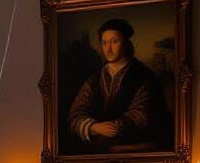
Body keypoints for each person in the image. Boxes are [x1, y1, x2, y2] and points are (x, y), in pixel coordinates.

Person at [67, 18, 171, 152]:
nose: (108, 49)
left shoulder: (144, 76)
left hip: (134, 145)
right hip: (98, 148)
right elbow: (76, 113)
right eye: (104, 43)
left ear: (126, 44)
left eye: (114, 42)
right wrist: (94, 127)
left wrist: (115, 126)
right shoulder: (93, 79)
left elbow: (144, 113)